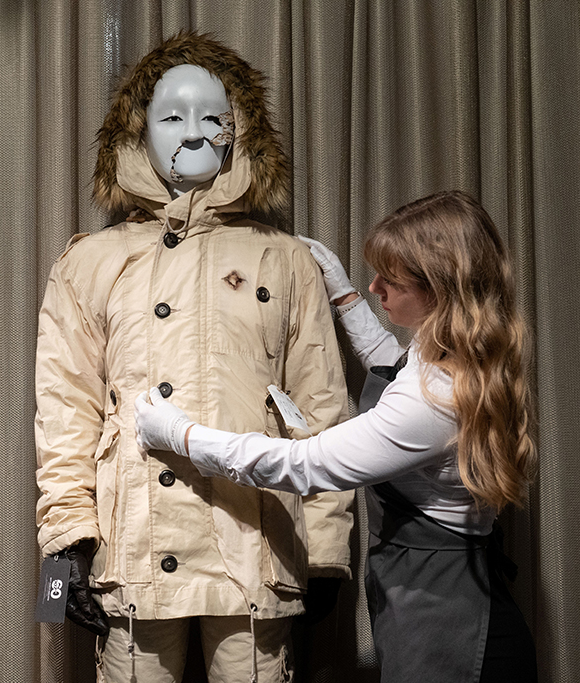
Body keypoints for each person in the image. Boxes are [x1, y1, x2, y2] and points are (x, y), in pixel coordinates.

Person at [34, 32, 354, 682]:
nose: (193, 132)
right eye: (171, 116)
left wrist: (324, 549)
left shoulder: (284, 259)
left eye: (212, 117)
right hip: (134, 540)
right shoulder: (91, 263)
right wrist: (69, 537)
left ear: (238, 134)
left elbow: (322, 409)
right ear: (138, 131)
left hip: (256, 536)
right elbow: (66, 407)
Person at [135, 190, 540, 682]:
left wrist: (181, 434)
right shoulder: (464, 354)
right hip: (441, 591)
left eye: (389, 281)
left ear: (437, 289)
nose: (375, 287)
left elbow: (304, 464)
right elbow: (397, 369)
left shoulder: (434, 398)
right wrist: (346, 299)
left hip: (449, 615)